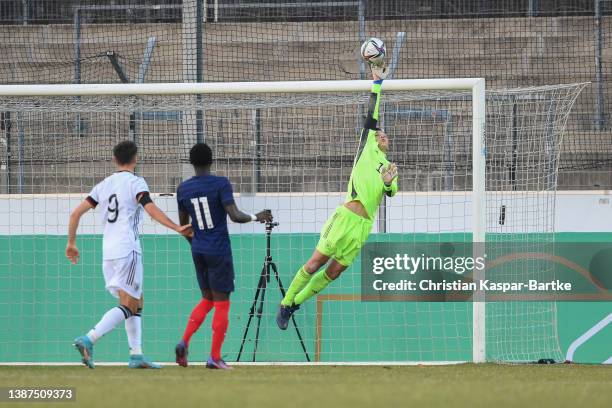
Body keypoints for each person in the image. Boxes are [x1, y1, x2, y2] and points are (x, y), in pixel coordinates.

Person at [276, 64, 398, 329]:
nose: (382, 135)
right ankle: (285, 303)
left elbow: (392, 191)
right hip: (345, 218)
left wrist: (388, 183)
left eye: (384, 134)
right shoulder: (366, 150)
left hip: (362, 228)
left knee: (333, 272)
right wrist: (377, 84)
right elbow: (372, 116)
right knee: (314, 263)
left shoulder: (389, 168)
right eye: (379, 133)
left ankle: (296, 303)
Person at [67, 140, 192, 368]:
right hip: (128, 249)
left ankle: (136, 355)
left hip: (108, 252)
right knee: (130, 304)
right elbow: (150, 208)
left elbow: (75, 214)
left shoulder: (103, 185)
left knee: (137, 300)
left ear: (114, 160)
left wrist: (71, 243)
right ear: (135, 159)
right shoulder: (135, 182)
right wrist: (176, 227)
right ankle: (89, 339)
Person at [174, 143, 273, 369]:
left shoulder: (183, 189)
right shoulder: (220, 184)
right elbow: (235, 216)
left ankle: (184, 341)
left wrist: (196, 243)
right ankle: (214, 357)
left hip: (198, 249)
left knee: (207, 300)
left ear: (192, 162)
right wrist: (257, 217)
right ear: (211, 161)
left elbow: (184, 226)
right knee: (222, 304)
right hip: (218, 250)